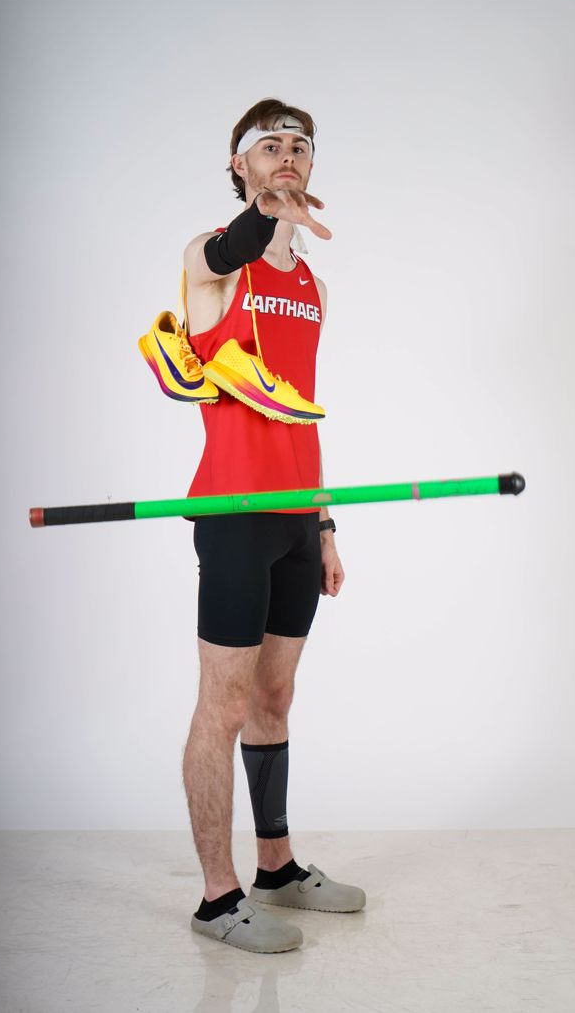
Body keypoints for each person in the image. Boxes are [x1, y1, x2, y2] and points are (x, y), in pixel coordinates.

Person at [180, 98, 366, 953]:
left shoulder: (313, 286)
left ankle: (277, 868)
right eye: (269, 146)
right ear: (240, 165)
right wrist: (263, 217)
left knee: (274, 697)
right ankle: (217, 900)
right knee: (222, 703)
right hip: (232, 514)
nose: (288, 155)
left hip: (295, 519)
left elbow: (304, 410)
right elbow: (229, 249)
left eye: (300, 146)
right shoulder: (212, 263)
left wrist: (323, 524)